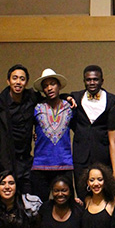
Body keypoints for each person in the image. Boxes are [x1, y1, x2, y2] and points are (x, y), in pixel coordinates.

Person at [71, 65, 115, 200]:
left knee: (105, 196)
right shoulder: (75, 97)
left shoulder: (113, 101)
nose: (92, 83)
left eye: (95, 79)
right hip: (81, 157)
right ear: (84, 81)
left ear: (102, 80)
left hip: (103, 156)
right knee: (82, 196)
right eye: (88, 80)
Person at [30, 69, 74, 204]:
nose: (49, 88)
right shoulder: (36, 107)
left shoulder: (69, 106)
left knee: (67, 205)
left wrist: (68, 96)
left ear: (59, 86)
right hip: (40, 164)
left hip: (64, 163)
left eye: (53, 84)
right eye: (45, 85)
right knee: (38, 206)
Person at [0, 65, 38, 193]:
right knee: (7, 201)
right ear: (8, 81)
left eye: (22, 79)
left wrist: (66, 97)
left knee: (28, 200)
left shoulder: (31, 98)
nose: (18, 82)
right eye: (15, 78)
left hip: (27, 161)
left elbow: (50, 99)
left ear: (26, 82)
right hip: (6, 162)